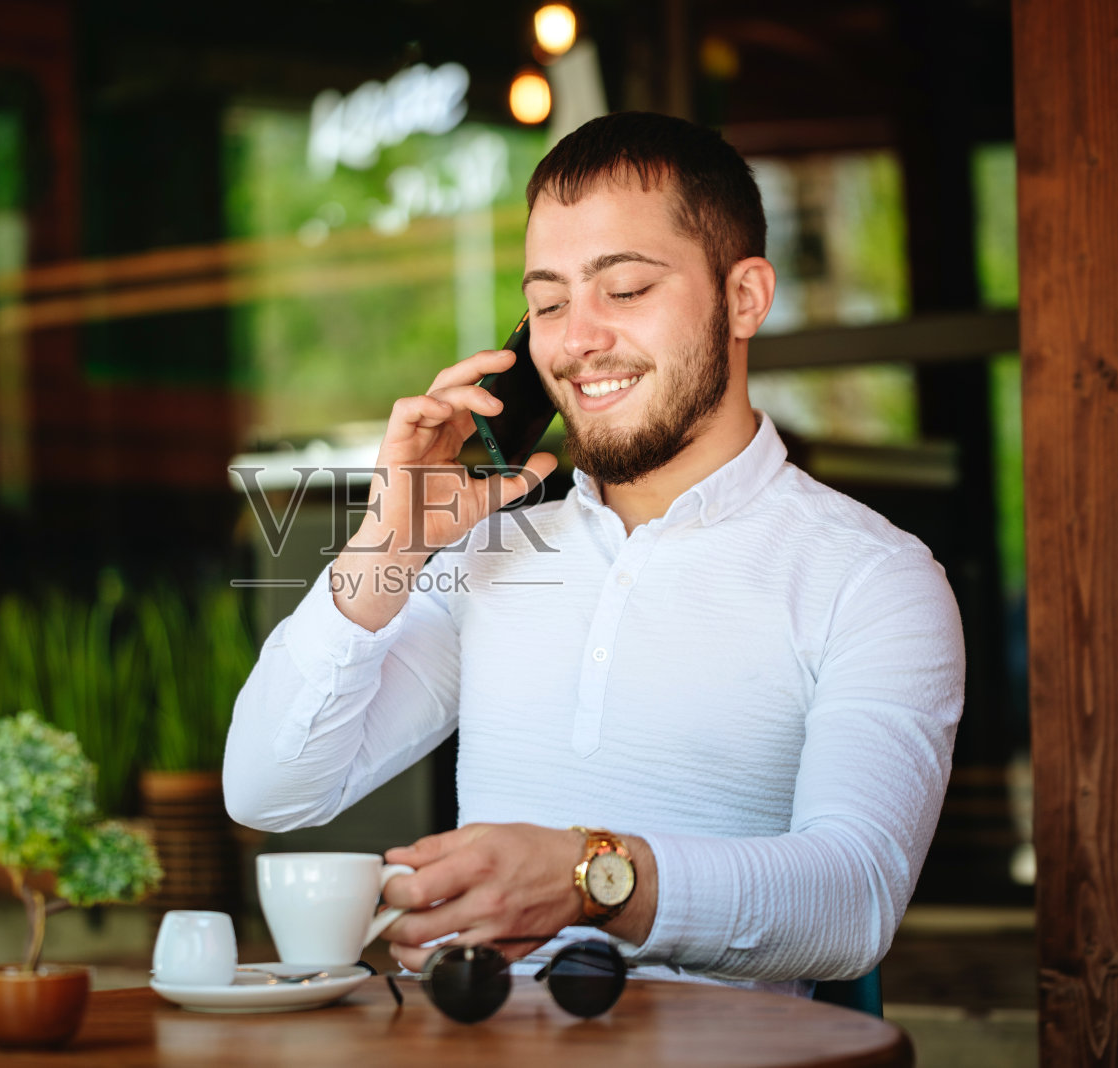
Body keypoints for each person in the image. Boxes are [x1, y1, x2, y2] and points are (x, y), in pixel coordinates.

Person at [223, 112, 964, 996]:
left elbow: (855, 902)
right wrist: (392, 540)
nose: (576, 340)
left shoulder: (873, 578)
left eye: (625, 288)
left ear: (745, 298)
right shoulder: (493, 556)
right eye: (547, 303)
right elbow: (268, 790)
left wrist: (590, 879)